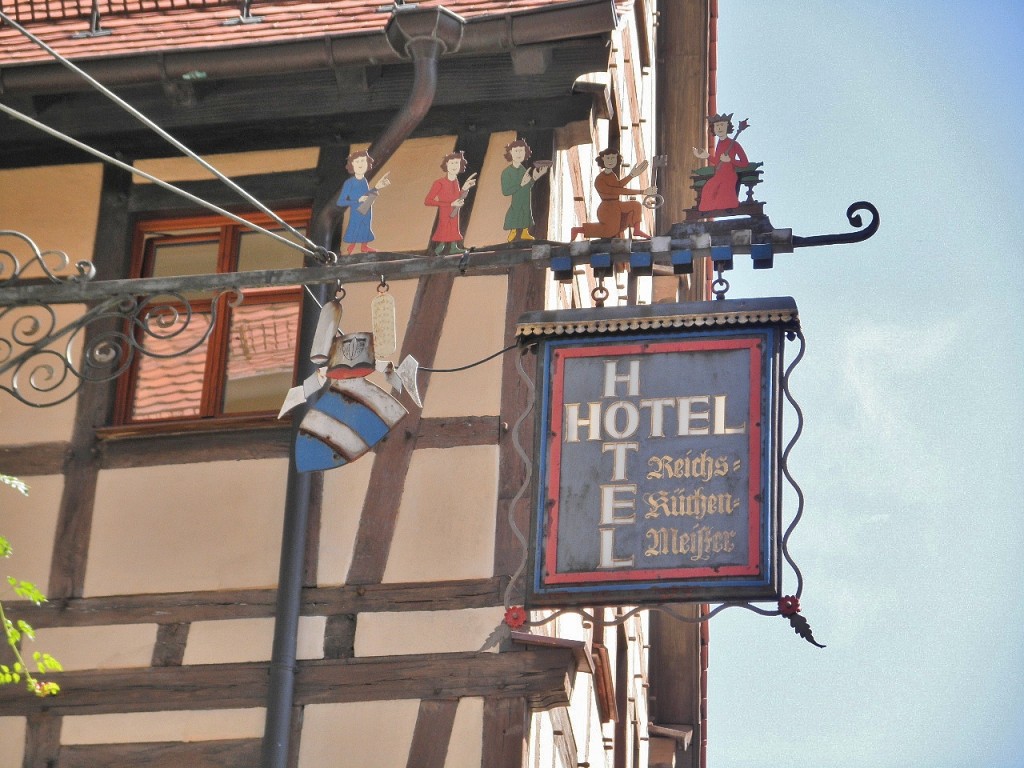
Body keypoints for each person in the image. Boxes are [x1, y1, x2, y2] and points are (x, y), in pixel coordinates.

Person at [571, 149, 655, 240]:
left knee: (635, 205)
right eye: (608, 158)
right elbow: (616, 190)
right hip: (607, 208)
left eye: (613, 158)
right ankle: (578, 230)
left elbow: (618, 185)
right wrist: (642, 192)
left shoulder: (612, 175)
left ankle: (637, 230)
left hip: (616, 204)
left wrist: (632, 175)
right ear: (603, 159)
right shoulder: (600, 179)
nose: (611, 161)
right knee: (610, 231)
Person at [336, 151, 391, 255]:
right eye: (357, 162)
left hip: (365, 208)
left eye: (363, 161)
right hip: (357, 210)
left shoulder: (364, 181)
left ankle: (364, 246)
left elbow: (366, 196)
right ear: (352, 165)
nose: (361, 164)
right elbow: (341, 201)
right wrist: (357, 201)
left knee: (365, 227)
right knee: (355, 227)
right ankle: (351, 249)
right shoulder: (349, 183)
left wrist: (377, 187)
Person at [423, 151, 478, 255]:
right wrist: (450, 204)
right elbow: (428, 201)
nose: (454, 166)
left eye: (457, 163)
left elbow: (457, 196)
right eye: (452, 163)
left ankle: (454, 247)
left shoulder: (456, 181)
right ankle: (439, 248)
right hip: (445, 211)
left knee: (453, 229)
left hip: (455, 211)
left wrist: (465, 189)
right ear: (446, 164)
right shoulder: (439, 183)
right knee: (443, 228)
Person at [693, 114, 748, 212]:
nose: (719, 128)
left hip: (729, 176)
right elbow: (719, 162)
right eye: (717, 126)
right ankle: (707, 211)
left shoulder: (734, 144)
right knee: (708, 188)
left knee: (723, 193)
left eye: (722, 125)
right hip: (718, 176)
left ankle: (726, 208)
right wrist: (706, 156)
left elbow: (744, 163)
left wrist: (730, 160)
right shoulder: (719, 144)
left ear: (727, 127)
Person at [501, 139, 548, 242]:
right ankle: (513, 232)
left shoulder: (522, 169)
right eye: (516, 151)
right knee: (515, 213)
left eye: (522, 151)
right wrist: (520, 184)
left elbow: (527, 186)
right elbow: (506, 191)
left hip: (526, 200)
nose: (519, 153)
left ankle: (525, 232)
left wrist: (535, 178)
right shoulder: (507, 172)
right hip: (516, 201)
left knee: (526, 214)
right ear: (511, 153)